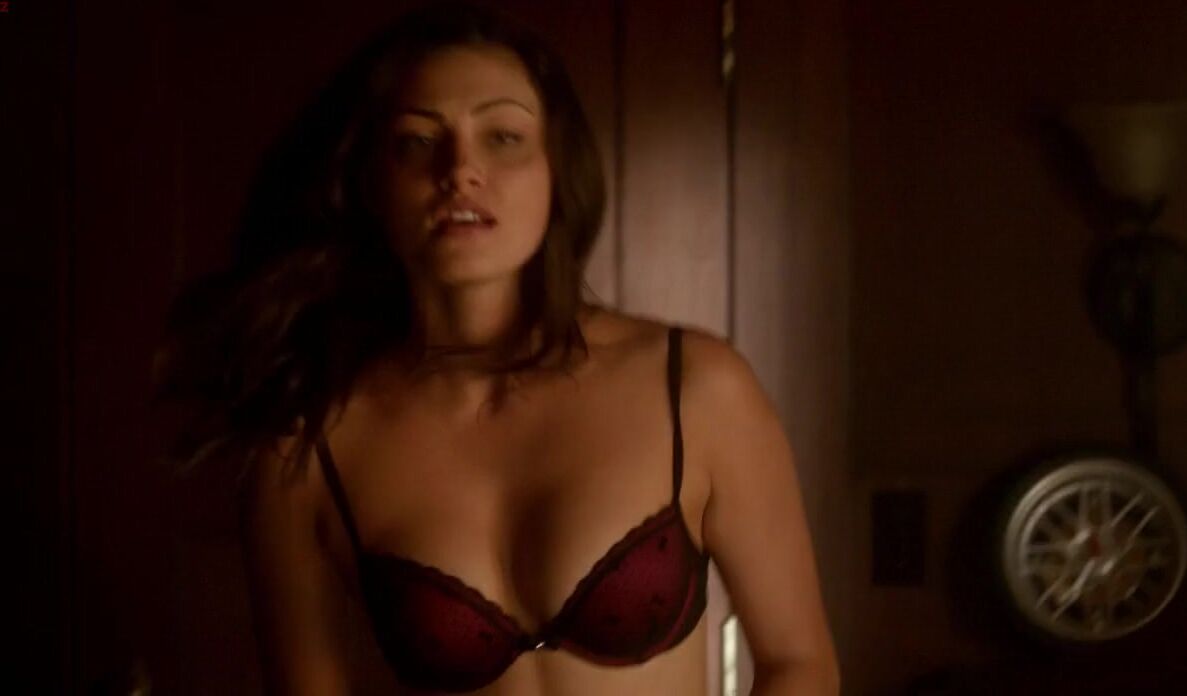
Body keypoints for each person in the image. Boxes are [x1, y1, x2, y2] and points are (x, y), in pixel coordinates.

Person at [154, 2, 839, 694]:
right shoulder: (306, 451)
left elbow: (799, 662)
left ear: (556, 169)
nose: (461, 170)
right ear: (371, 184)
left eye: (503, 136)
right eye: (417, 142)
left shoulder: (695, 388)